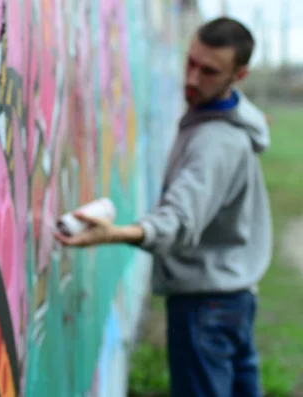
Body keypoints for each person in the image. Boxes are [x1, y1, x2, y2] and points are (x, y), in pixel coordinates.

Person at [55, 17, 271, 397]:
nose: (191, 78)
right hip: (235, 297)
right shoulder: (229, 118)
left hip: (205, 307)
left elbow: (179, 220)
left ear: (239, 75)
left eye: (209, 71)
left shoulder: (215, 141)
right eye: (191, 62)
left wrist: (116, 234)